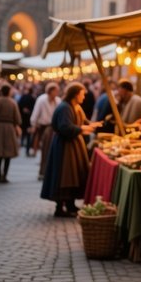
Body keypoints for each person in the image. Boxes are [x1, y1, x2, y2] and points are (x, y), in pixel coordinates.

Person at [40, 82, 98, 217]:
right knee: (64, 176)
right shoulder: (64, 108)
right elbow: (64, 127)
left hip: (73, 145)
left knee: (74, 175)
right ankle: (60, 207)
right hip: (64, 146)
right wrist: (82, 129)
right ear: (75, 94)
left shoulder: (76, 107)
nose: (84, 97)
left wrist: (92, 124)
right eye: (82, 94)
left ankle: (70, 204)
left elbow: (84, 121)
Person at [30, 82, 61, 180]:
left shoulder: (58, 100)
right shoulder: (41, 99)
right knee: (45, 150)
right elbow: (36, 113)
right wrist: (34, 124)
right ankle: (43, 172)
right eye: (55, 91)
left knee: (53, 151)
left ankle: (51, 172)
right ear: (50, 91)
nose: (57, 93)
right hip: (44, 127)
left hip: (55, 127)